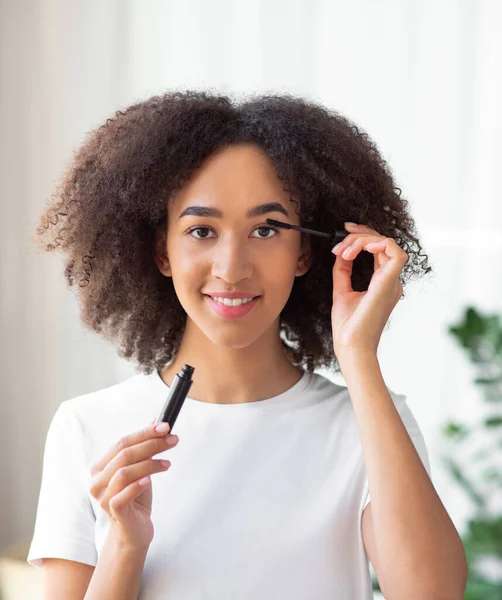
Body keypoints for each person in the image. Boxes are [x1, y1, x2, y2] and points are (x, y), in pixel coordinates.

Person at [27, 91, 467, 599]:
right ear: (161, 251)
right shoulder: (86, 429)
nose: (232, 268)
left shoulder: (368, 424)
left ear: (304, 253)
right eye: (201, 230)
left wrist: (358, 356)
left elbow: (433, 593)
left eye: (266, 228)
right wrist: (126, 545)